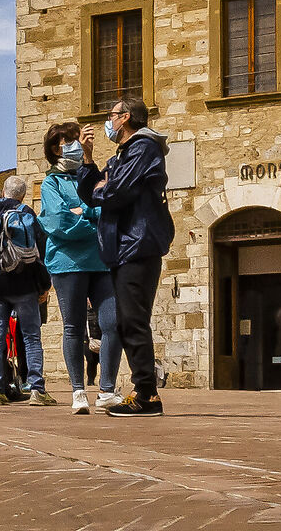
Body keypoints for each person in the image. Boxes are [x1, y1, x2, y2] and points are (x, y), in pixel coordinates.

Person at [76, 93, 172, 418]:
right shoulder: (122, 155)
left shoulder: (144, 148)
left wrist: (106, 187)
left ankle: (147, 394)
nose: (109, 121)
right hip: (121, 248)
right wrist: (89, 160)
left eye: (112, 115)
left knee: (132, 321)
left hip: (137, 244)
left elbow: (116, 193)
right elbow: (91, 195)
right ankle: (145, 392)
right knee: (126, 320)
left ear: (126, 116)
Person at [37, 120, 114, 415]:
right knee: (73, 327)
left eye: (74, 140)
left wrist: (87, 212)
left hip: (100, 260)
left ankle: (106, 390)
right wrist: (92, 219)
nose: (70, 146)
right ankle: (78, 391)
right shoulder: (50, 183)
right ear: (54, 150)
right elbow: (58, 222)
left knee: (111, 323)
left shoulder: (91, 177)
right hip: (68, 263)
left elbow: (105, 209)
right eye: (65, 142)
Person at [0, 176, 54, 404]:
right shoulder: (28, 213)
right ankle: (36, 389)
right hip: (25, 284)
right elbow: (41, 250)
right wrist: (44, 285)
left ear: (3, 192)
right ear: (22, 195)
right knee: (31, 336)